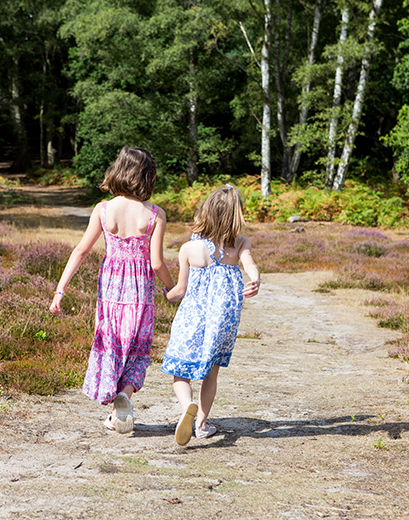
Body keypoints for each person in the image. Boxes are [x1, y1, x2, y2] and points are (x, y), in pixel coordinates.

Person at [50, 147, 174, 434]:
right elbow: (156, 263)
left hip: (110, 289)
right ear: (148, 177)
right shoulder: (155, 215)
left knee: (112, 343)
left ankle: (113, 405)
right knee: (138, 346)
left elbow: (81, 250)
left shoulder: (103, 209)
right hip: (140, 290)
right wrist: (172, 289)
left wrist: (60, 290)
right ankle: (125, 396)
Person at [161, 185, 260, 446]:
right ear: (236, 216)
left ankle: (187, 406)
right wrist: (255, 280)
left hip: (192, 317)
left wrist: (165, 295)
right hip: (223, 321)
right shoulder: (240, 244)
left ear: (205, 212)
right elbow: (250, 264)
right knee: (211, 374)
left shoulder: (188, 250)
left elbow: (180, 290)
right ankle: (202, 425)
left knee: (180, 371)